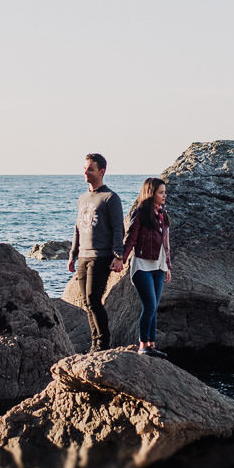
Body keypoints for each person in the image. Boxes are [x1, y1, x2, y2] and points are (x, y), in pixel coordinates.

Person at [67, 152, 124, 352]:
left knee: (93, 299)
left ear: (102, 171)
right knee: (86, 302)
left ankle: (102, 343)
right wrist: (72, 254)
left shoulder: (110, 198)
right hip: (83, 255)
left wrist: (118, 256)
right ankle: (94, 343)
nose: (86, 172)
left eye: (90, 169)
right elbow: (77, 227)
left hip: (101, 256)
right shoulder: (83, 198)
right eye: (84, 168)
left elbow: (118, 228)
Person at [120, 177, 172, 357]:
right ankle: (143, 345)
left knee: (154, 307)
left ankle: (151, 345)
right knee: (149, 306)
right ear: (151, 193)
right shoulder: (140, 213)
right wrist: (122, 259)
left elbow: (166, 244)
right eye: (161, 192)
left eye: (165, 192)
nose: (164, 195)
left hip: (159, 268)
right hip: (142, 267)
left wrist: (168, 267)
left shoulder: (162, 214)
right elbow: (131, 239)